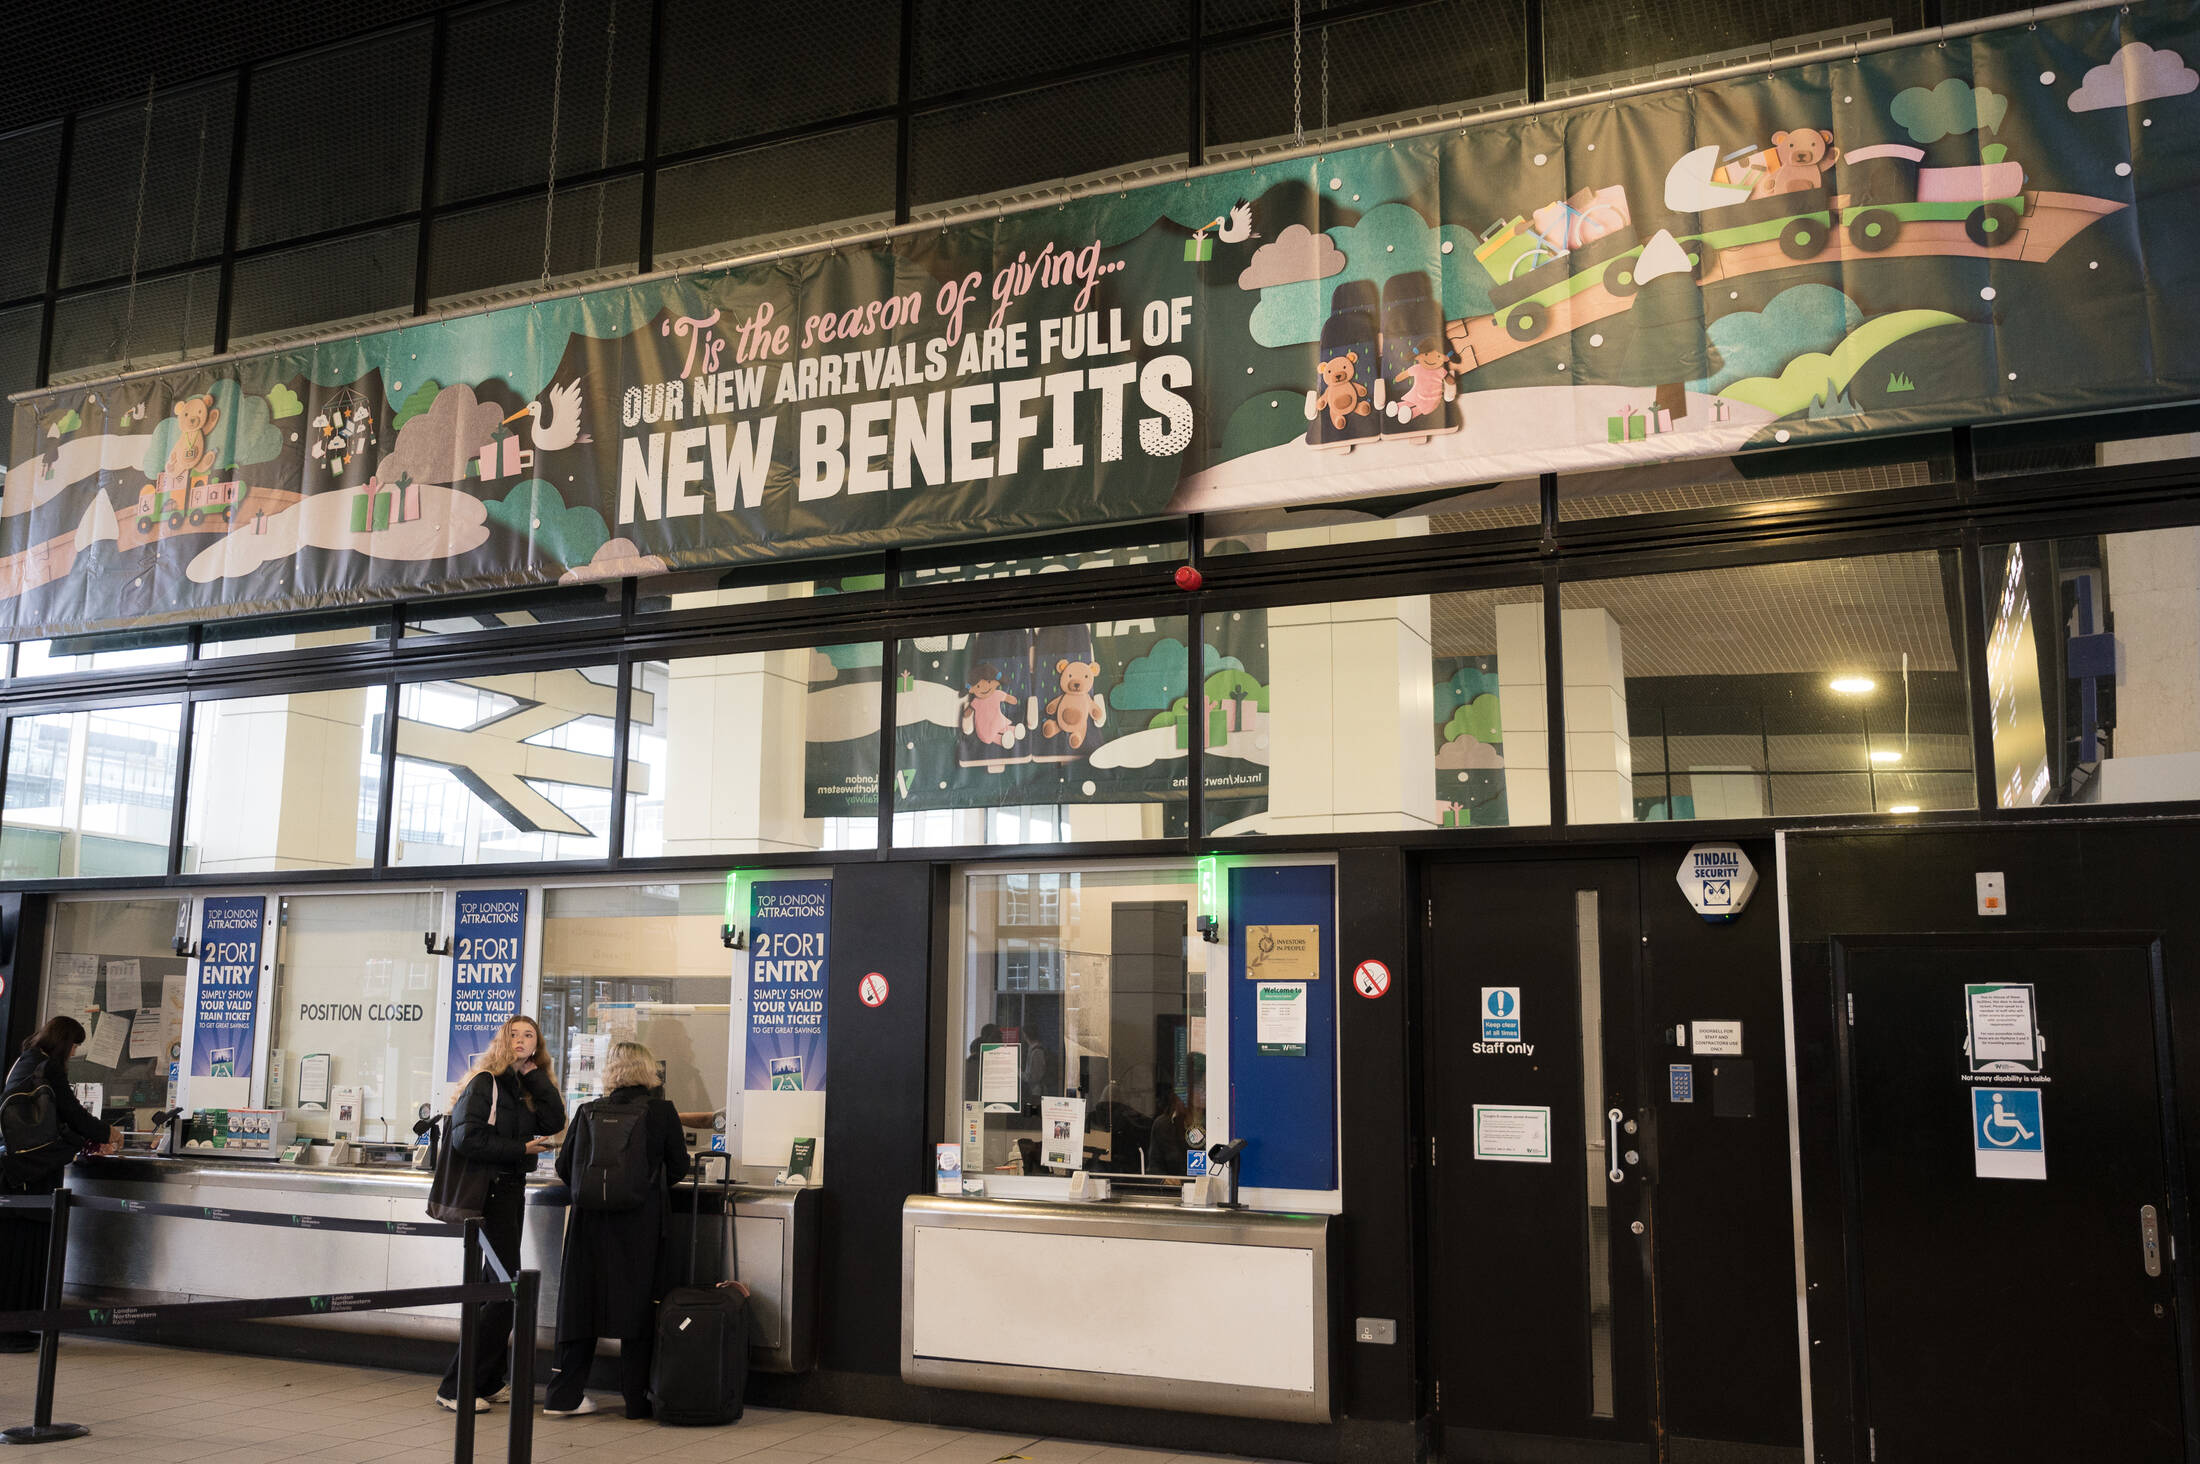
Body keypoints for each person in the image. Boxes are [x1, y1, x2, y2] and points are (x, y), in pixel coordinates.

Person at [542, 1041, 690, 1419]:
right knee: (639, 1309)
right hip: (641, 1225)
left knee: (581, 1305)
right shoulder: (661, 1111)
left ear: (611, 1072)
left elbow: (564, 1167)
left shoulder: (588, 1110)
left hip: (589, 1224)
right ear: (648, 1071)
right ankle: (636, 1401)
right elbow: (677, 1168)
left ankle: (563, 1397)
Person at [435, 1015, 565, 1413]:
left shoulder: (522, 1088)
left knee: (500, 1290)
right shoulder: (485, 1083)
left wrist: (535, 1075)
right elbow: (467, 1139)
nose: (523, 1040)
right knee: (505, 1292)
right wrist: (521, 1150)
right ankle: (456, 1387)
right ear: (501, 1041)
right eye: (515, 1034)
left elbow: (554, 1121)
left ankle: (487, 1381)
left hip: (509, 1191)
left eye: (530, 1036)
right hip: (488, 1195)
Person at [0, 1017, 120, 1352]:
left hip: (15, 1169)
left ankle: (16, 1326)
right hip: (33, 1173)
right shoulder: (47, 1068)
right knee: (28, 1250)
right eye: (75, 1046)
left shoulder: (24, 1061)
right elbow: (69, 1110)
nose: (74, 1053)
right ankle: (15, 1330)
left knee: (13, 1251)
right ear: (66, 1043)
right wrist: (104, 1132)